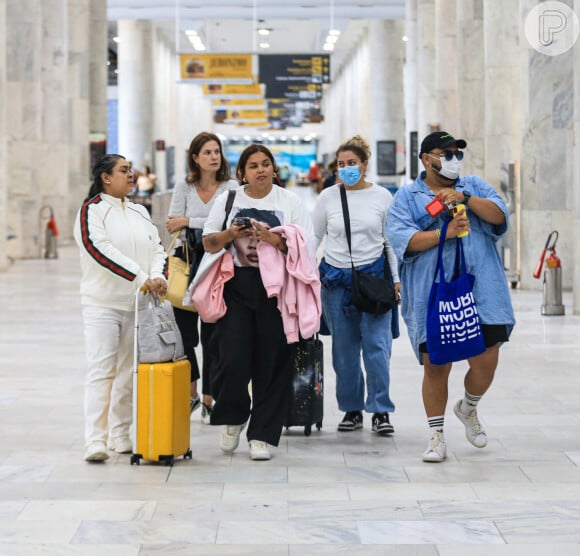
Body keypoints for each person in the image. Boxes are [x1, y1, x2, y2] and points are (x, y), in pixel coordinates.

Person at [386, 131, 516, 463]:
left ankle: (468, 407)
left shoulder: (474, 186)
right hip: (433, 292)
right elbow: (405, 241)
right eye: (446, 153)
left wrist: (464, 199)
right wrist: (444, 230)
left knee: (487, 359)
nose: (454, 159)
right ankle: (436, 435)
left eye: (457, 153)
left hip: (482, 290)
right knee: (437, 364)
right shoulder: (407, 196)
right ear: (427, 158)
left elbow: (500, 216)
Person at [201, 144, 316, 461]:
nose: (261, 170)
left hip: (277, 290)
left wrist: (272, 238)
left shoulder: (289, 201)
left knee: (272, 362)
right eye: (253, 165)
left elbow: (307, 246)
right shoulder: (228, 200)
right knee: (231, 358)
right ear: (242, 173)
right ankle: (234, 417)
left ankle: (262, 434)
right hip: (236, 285)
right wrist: (230, 234)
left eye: (266, 164)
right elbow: (209, 243)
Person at [74, 154, 167, 463]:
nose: (131, 175)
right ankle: (95, 440)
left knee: (128, 374)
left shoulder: (140, 211)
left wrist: (156, 274)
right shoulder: (91, 211)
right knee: (102, 371)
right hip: (103, 305)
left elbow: (157, 247)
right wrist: (141, 277)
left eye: (130, 170)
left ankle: (120, 434)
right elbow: (99, 249)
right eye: (124, 171)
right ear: (105, 177)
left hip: (138, 307)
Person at [312, 135, 401, 436]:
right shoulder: (327, 198)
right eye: (341, 164)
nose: (346, 168)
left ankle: (380, 410)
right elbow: (315, 237)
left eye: (352, 163)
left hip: (374, 278)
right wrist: (305, 274)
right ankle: (351, 409)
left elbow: (390, 243)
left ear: (364, 164)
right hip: (336, 282)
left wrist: (397, 280)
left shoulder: (382, 197)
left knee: (377, 348)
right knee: (344, 352)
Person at [165, 132, 239, 424]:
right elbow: (172, 223)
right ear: (195, 158)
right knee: (184, 337)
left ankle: (210, 397)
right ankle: (192, 392)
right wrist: (194, 223)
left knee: (214, 338)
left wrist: (190, 221)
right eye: (207, 152)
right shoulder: (183, 186)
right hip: (185, 265)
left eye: (216, 151)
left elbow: (228, 225)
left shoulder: (231, 187)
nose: (213, 157)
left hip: (218, 267)